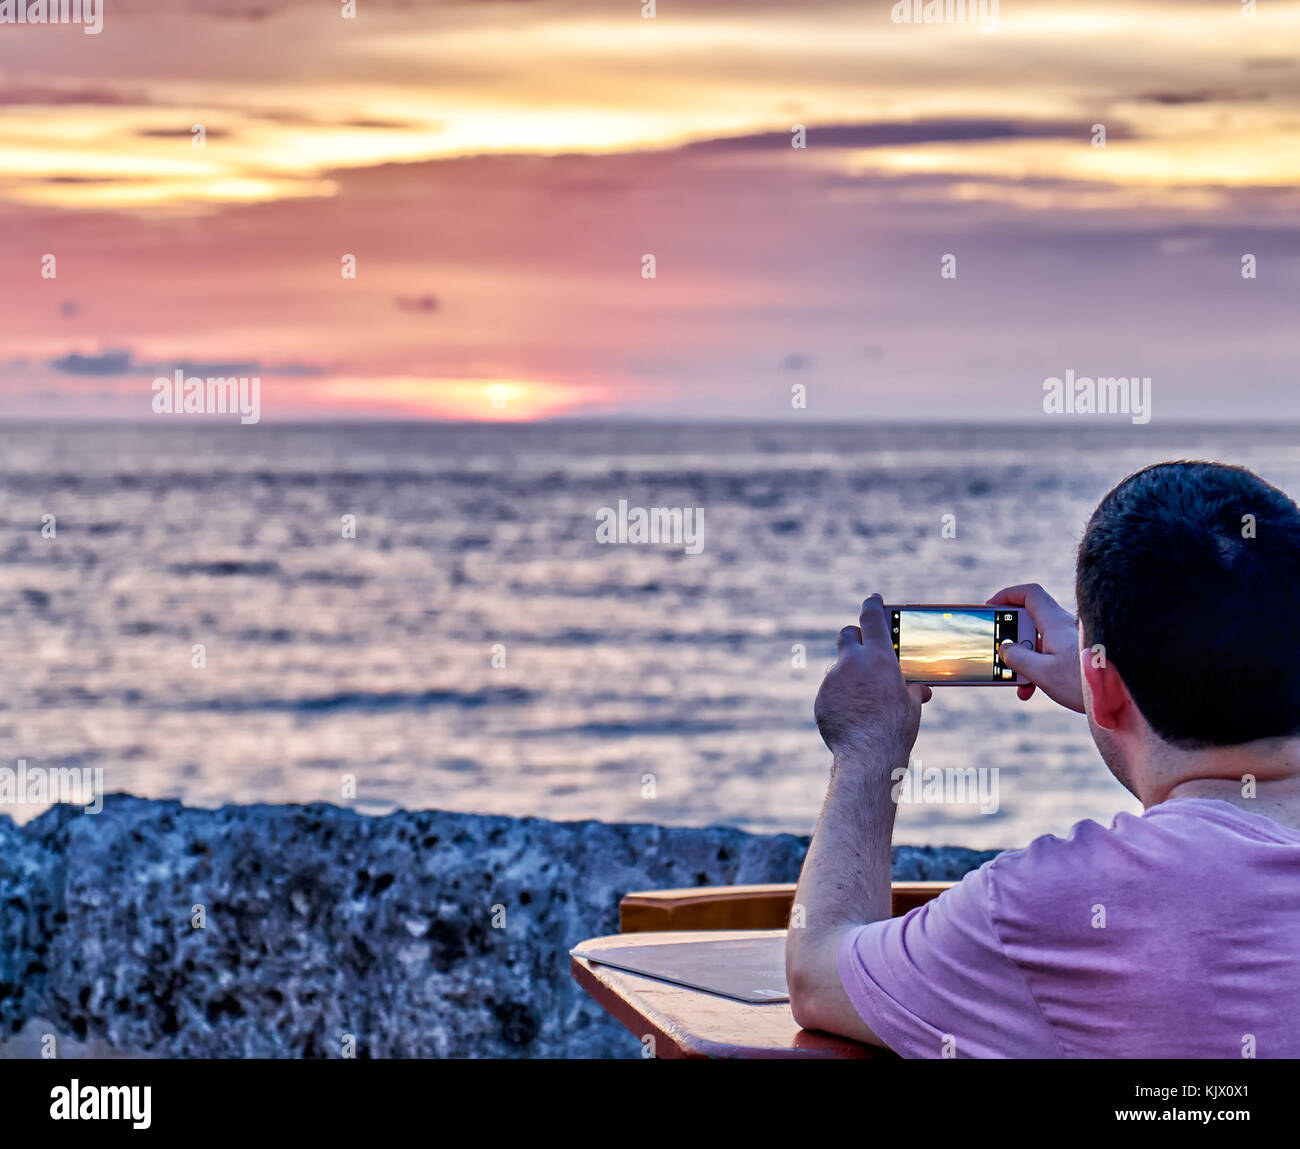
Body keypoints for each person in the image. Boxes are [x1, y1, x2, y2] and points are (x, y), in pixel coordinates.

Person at [785, 460, 1300, 1058]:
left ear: (1101, 689)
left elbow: (817, 973)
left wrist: (869, 747)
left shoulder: (1049, 906)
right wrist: (1116, 686)